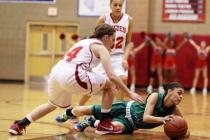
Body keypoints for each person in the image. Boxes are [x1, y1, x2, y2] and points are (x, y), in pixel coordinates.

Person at [8, 24, 143, 135]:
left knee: (51, 105)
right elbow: (113, 76)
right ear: (106, 37)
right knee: (111, 85)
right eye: (113, 39)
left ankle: (20, 124)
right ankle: (104, 124)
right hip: (73, 74)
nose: (113, 43)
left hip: (56, 73)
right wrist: (129, 92)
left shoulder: (83, 42)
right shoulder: (101, 47)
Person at [55, 0, 134, 123]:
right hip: (103, 54)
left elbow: (130, 42)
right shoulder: (103, 18)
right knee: (92, 83)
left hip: (118, 56)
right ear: (110, 5)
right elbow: (95, 38)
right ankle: (75, 110)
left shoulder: (129, 20)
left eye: (120, 5)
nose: (118, 7)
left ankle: (117, 113)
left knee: (122, 79)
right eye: (115, 5)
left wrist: (125, 58)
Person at [64, 82, 190, 138]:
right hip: (124, 109)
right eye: (179, 93)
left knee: (113, 129)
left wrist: (180, 132)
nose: (181, 96)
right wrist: (162, 119)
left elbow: (185, 129)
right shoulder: (156, 96)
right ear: (169, 91)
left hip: (129, 124)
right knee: (84, 109)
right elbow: (145, 117)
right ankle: (68, 113)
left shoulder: (174, 110)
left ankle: (91, 121)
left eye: (182, 94)